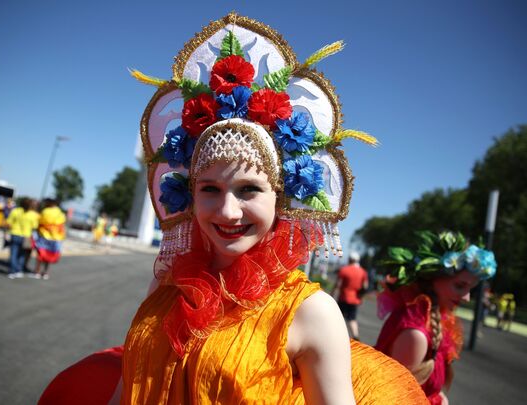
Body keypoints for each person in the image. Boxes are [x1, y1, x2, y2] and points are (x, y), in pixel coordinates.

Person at [39, 13, 428, 405]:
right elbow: (130, 388)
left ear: (282, 197)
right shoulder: (167, 282)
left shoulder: (312, 312)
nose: (227, 211)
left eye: (248, 190)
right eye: (210, 188)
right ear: (190, 192)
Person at [375, 231, 497, 405]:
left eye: (471, 289)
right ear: (432, 278)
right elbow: (393, 399)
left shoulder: (433, 319)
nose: (466, 297)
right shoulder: (416, 334)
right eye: (460, 286)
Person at [333, 251, 369, 340]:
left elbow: (338, 284)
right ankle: (355, 336)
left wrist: (332, 293)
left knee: (339, 317)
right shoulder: (363, 272)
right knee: (352, 318)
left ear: (349, 259)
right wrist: (360, 295)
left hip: (343, 297)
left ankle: (336, 336)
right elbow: (365, 286)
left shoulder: (344, 270)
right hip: (355, 299)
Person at [33, 198, 66, 280]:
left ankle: (37, 272)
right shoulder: (61, 213)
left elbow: (39, 222)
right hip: (55, 238)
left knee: (41, 254)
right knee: (49, 256)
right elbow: (62, 226)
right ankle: (45, 273)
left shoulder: (45, 211)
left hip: (44, 236)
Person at [6, 198, 39, 279]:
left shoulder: (15, 211)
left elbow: (9, 223)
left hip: (15, 234)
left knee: (13, 253)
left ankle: (12, 271)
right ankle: (18, 270)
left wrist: (7, 232)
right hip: (26, 236)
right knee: (22, 254)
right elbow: (35, 226)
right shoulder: (33, 214)